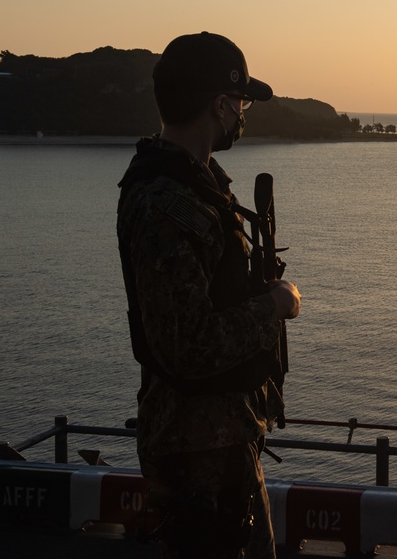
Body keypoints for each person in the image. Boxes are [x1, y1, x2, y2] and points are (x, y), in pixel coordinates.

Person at [117, 32, 300, 559]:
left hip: (218, 440)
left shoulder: (192, 187)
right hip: (198, 451)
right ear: (220, 105)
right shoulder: (167, 201)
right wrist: (276, 305)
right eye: (241, 103)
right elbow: (188, 344)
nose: (243, 115)